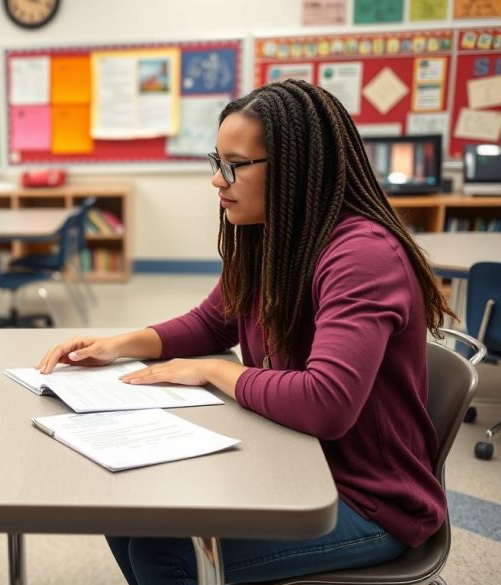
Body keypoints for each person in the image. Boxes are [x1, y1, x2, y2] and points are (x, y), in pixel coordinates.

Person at [36, 79, 454, 584]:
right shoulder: (270, 236)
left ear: (295, 171)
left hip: (369, 500)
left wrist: (213, 370)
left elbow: (327, 402)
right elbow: (214, 319)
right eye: (217, 161)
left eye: (234, 165)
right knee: (128, 513)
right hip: (293, 459)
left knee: (165, 555)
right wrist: (119, 344)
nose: (218, 180)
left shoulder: (361, 255)